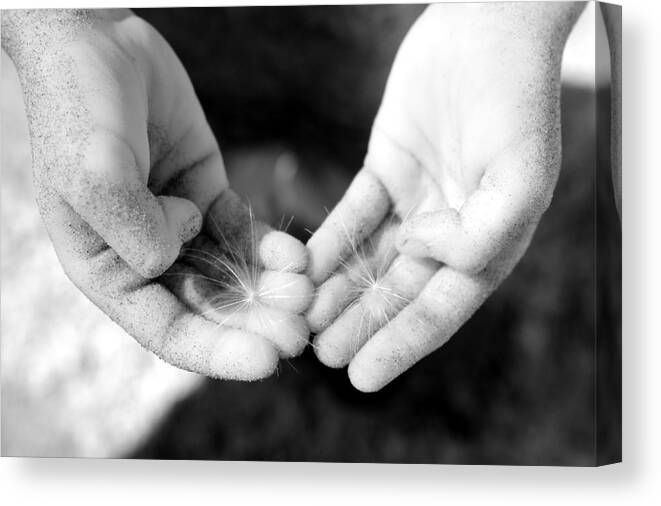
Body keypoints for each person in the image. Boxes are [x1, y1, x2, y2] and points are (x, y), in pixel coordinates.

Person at [1, 3, 620, 392]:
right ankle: (272, 218)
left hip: (405, 46)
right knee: (196, 161)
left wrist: (509, 15)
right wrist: (58, 22)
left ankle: (309, 228)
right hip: (173, 47)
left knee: (360, 176)